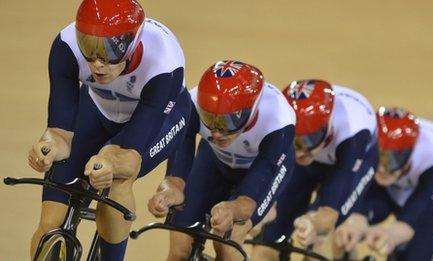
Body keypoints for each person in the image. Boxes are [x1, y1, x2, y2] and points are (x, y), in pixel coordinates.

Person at [27, 0, 191, 260]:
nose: (97, 64)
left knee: (118, 177)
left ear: (133, 42)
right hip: (97, 109)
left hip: (157, 118)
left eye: (109, 51)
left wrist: (109, 162)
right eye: (89, 49)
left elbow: (130, 156)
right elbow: (59, 133)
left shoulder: (164, 63)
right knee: (50, 224)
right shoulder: (66, 47)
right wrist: (46, 148)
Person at [147, 60, 296, 260]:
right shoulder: (191, 104)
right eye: (210, 119)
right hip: (214, 158)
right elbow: (176, 174)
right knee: (179, 250)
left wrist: (233, 209)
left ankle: (264, 215)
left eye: (228, 122)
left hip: (262, 169)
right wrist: (168, 192)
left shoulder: (278, 121)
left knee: (228, 244)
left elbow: (248, 201)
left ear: (251, 110)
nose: (216, 133)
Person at [251, 79, 378, 260]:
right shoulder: (279, 122)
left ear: (328, 126)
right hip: (312, 162)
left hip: (350, 163)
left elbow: (329, 215)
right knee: (266, 243)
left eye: (309, 139)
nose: (301, 152)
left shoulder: (354, 132)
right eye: (295, 140)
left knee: (321, 241)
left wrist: (313, 222)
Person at [334, 107, 433, 261]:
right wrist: (354, 218)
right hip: (380, 189)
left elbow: (410, 221)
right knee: (341, 228)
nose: (383, 169)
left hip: (424, 195)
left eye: (392, 160)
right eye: (379, 157)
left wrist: (390, 235)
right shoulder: (363, 138)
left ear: (411, 152)